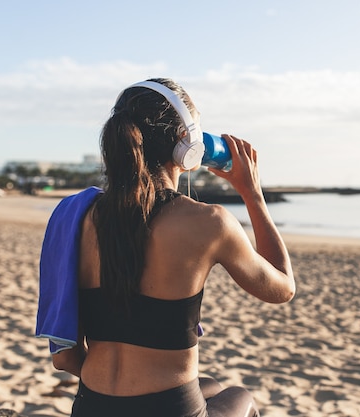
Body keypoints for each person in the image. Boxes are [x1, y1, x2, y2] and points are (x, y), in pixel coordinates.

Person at [40, 78, 295, 417]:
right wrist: (252, 194)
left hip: (92, 407)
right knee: (239, 396)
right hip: (169, 410)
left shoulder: (74, 216)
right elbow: (282, 288)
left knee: (212, 387)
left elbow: (65, 358)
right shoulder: (210, 223)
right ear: (185, 144)